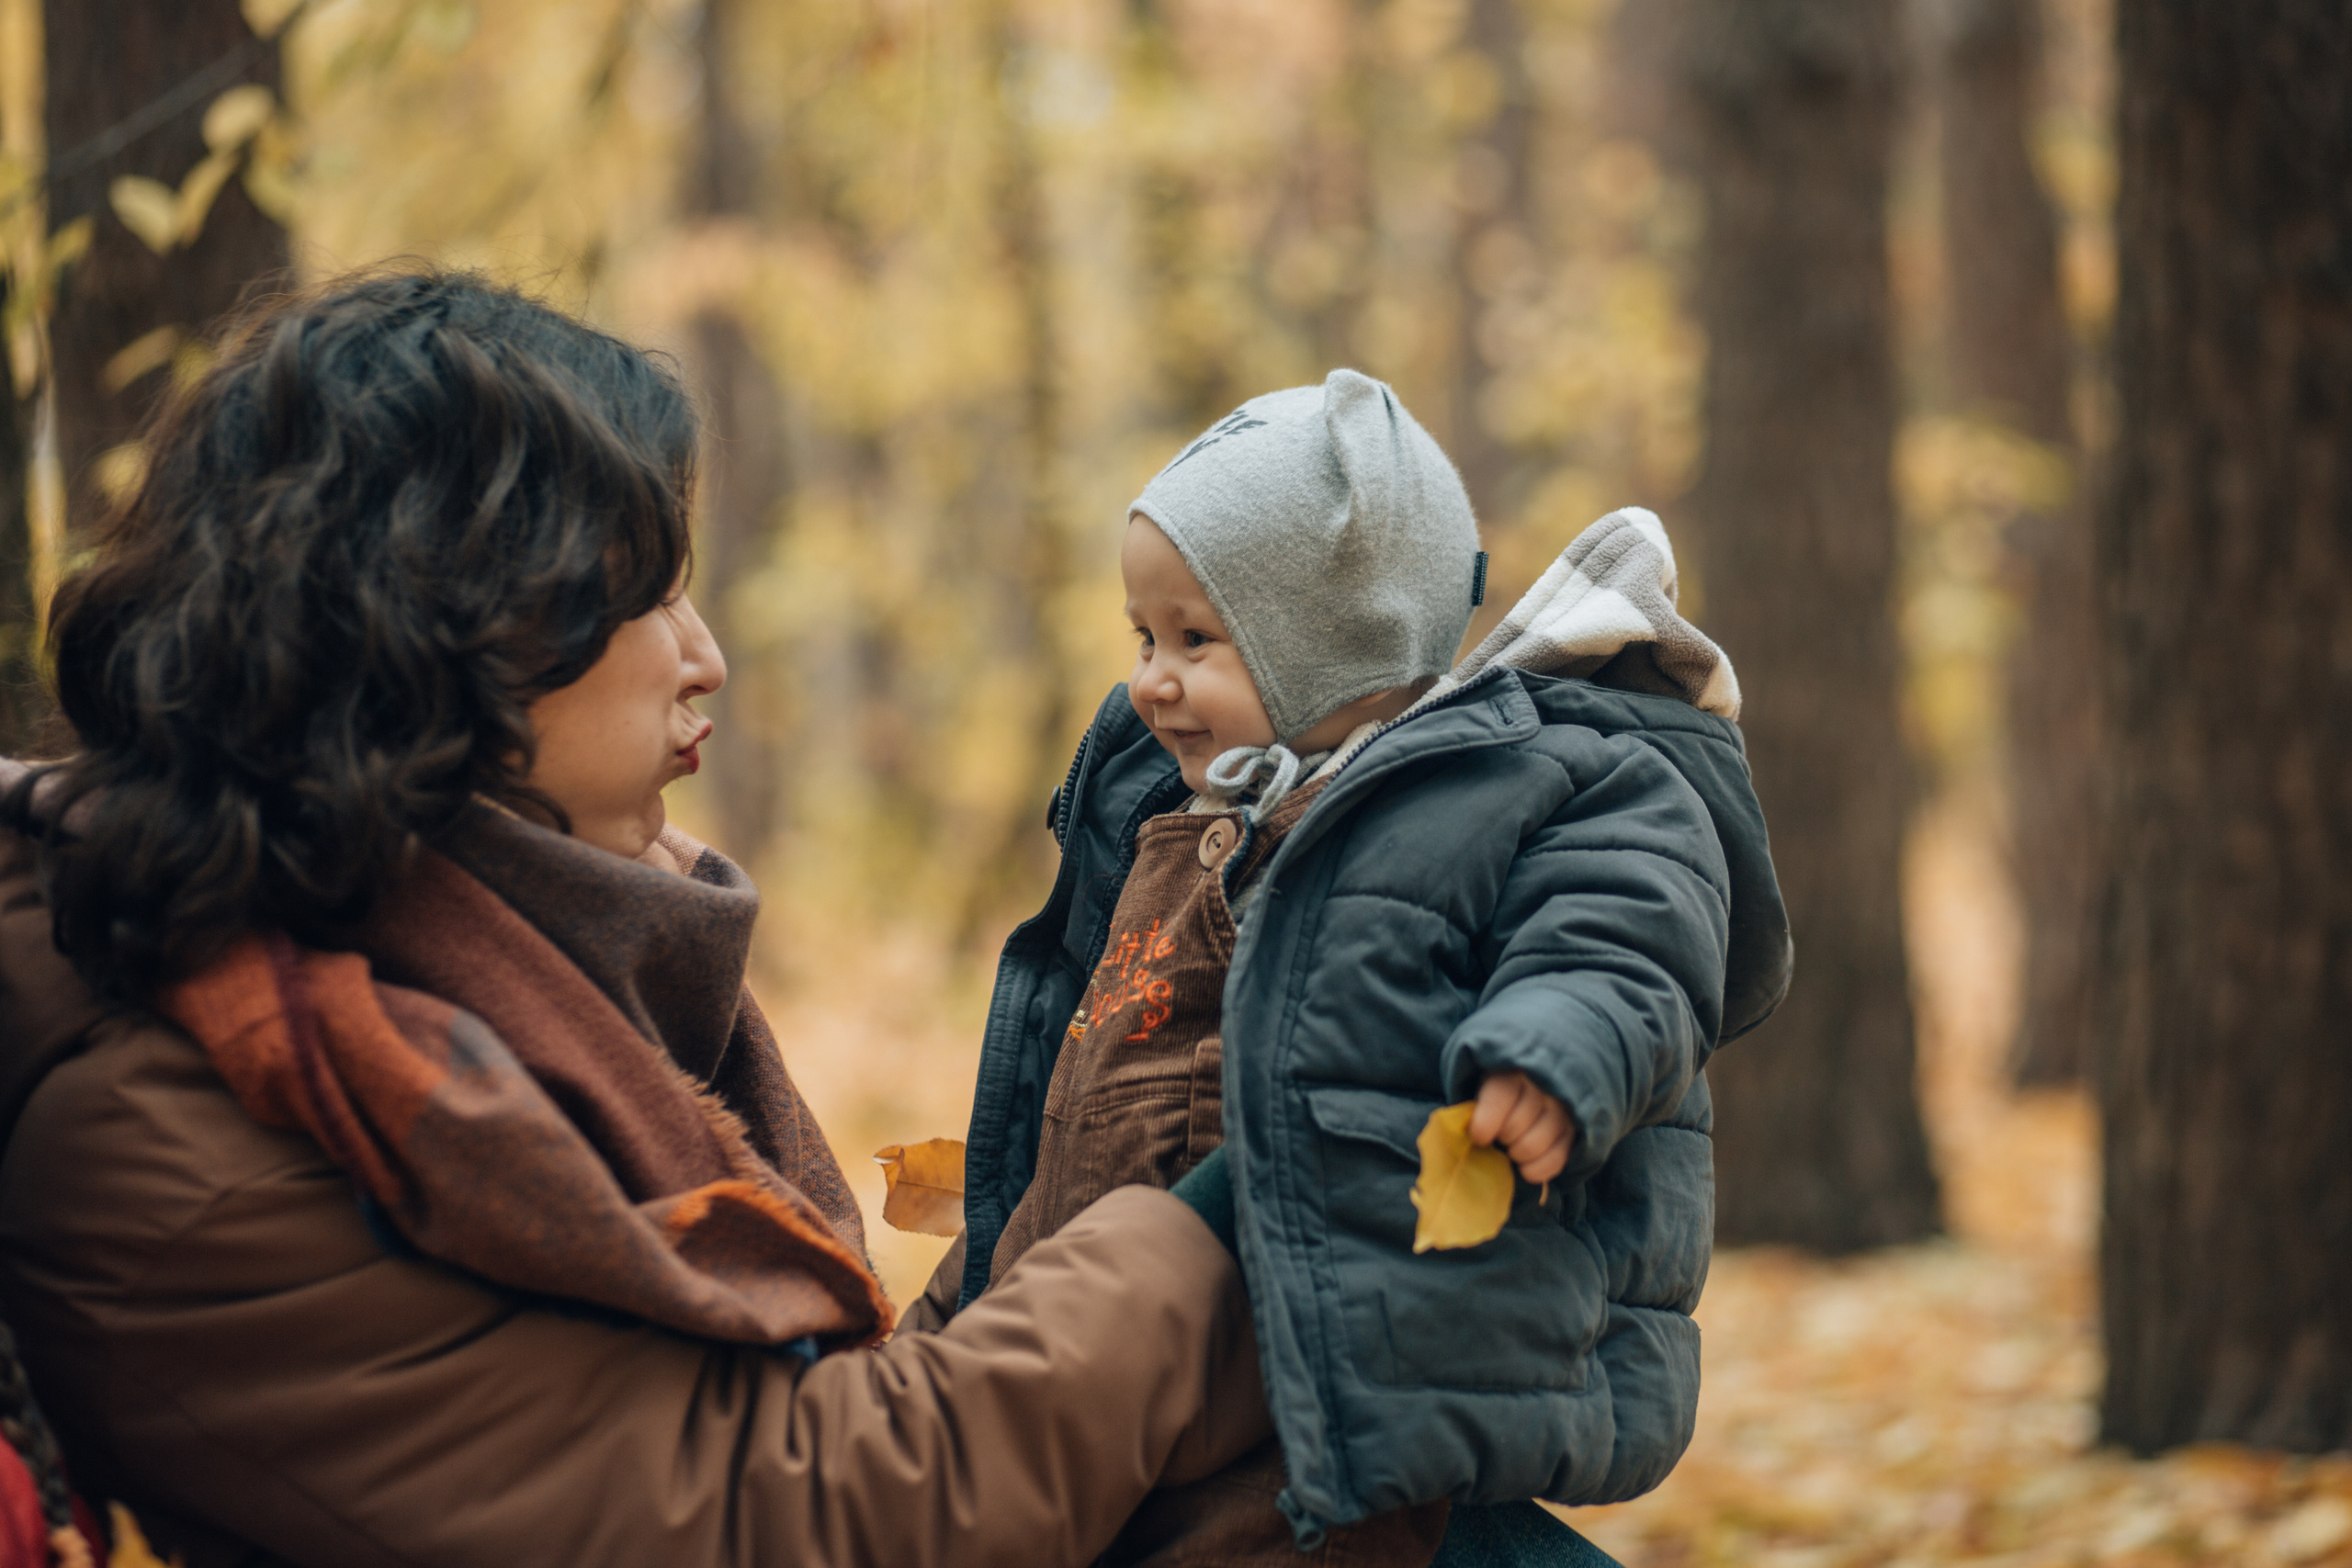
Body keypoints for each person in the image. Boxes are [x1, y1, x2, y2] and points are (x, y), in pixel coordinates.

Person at [0, 270, 1272, 1566]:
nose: (705, 656)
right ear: (441, 634)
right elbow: (793, 1514)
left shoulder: (449, 981)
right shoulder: (178, 1152)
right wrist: (1241, 1225)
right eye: (646, 595)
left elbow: (828, 1413)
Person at [920, 372, 1792, 1566]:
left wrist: (1547, 1055)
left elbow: (1624, 931)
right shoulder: (1176, 837)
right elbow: (1075, 1120)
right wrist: (958, 1313)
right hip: (1119, 1372)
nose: (1149, 680)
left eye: (1194, 639)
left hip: (1329, 1369)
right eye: (1142, 637)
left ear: (1339, 644)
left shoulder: (1520, 782)